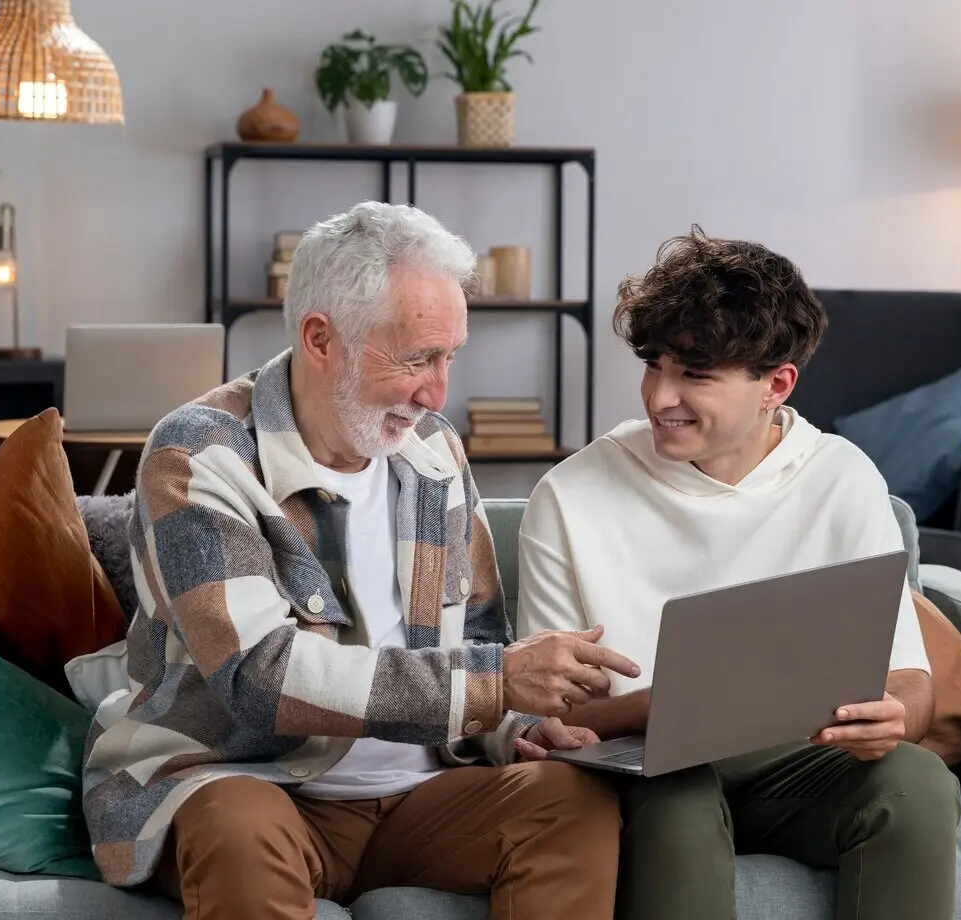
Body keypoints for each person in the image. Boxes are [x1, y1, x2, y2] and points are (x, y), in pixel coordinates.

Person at [81, 201, 641, 920]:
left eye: (449, 358)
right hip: (247, 781)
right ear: (322, 338)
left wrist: (517, 726)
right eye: (416, 358)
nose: (438, 393)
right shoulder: (201, 454)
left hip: (417, 800)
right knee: (238, 829)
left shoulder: (434, 454)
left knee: (571, 798)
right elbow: (260, 677)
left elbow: (475, 638)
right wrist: (497, 684)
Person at [513, 227, 961, 920]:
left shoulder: (841, 478)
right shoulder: (572, 495)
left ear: (775, 385)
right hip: (648, 768)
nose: (660, 396)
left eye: (694, 375)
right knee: (678, 799)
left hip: (798, 765)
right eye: (654, 364)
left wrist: (895, 718)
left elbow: (909, 681)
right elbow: (546, 716)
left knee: (916, 780)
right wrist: (673, 710)